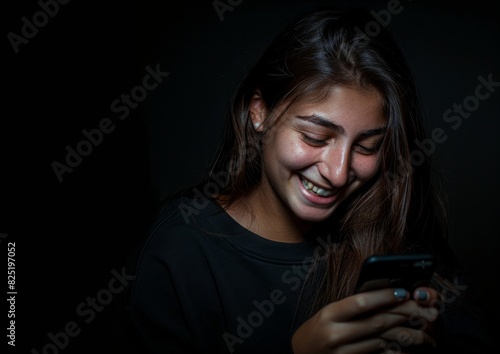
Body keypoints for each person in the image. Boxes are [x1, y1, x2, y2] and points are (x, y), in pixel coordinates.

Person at [115, 6, 495, 354]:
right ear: (259, 113)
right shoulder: (182, 248)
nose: (339, 171)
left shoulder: (399, 229)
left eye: (367, 146)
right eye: (315, 137)